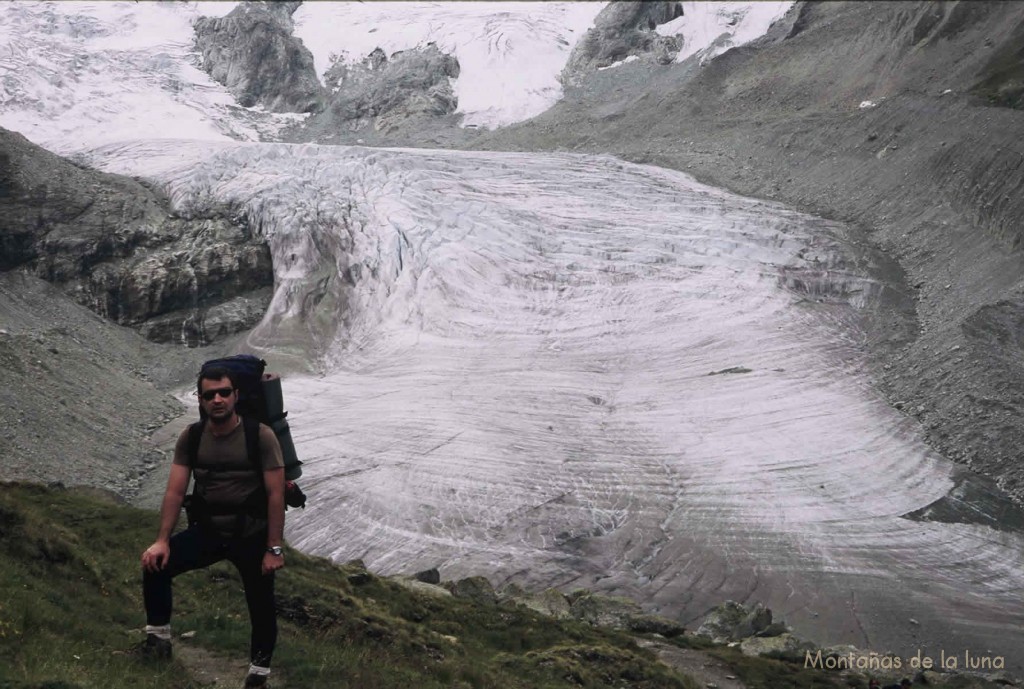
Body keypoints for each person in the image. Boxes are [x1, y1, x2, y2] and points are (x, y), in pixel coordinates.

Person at [139, 366, 286, 688]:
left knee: (261, 604)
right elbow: (175, 491)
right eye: (209, 395)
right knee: (156, 565)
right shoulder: (191, 437)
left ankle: (258, 675)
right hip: (208, 531)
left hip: (251, 534)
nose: (217, 400)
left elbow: (276, 493)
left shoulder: (259, 435)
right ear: (200, 399)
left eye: (223, 393)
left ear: (236, 395)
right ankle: (158, 643)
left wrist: (273, 548)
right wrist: (161, 540)